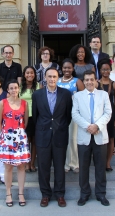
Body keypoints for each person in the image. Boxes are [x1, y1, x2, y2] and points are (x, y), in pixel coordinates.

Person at [32, 67, 73, 208]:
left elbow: (68, 116)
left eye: (54, 76)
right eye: (49, 76)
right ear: (45, 78)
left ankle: (60, 194)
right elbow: (36, 116)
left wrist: (59, 127)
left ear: (58, 77)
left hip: (60, 135)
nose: (52, 79)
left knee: (59, 167)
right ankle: (45, 194)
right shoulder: (37, 95)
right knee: (43, 166)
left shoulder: (66, 94)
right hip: (42, 135)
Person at [72, 70, 112, 206]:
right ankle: (84, 194)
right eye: (87, 80)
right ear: (83, 82)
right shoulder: (77, 96)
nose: (89, 82)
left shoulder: (104, 95)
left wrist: (97, 126)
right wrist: (88, 126)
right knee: (83, 167)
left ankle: (101, 194)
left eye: (91, 79)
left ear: (96, 81)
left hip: (100, 136)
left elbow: (108, 113)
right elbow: (75, 114)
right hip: (84, 136)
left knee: (100, 167)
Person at [0, 79, 30, 207]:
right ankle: (8, 193)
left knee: (21, 166)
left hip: (20, 138)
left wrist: (19, 133)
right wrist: (5, 134)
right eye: (11, 88)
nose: (14, 90)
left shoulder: (24, 103)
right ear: (8, 90)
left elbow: (25, 121)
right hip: (7, 138)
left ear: (18, 88)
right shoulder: (2, 103)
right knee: (8, 166)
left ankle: (21, 193)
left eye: (15, 88)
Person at [57, 58, 85, 173]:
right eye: (64, 67)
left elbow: (83, 97)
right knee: (61, 140)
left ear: (73, 69)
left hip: (73, 114)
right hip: (59, 115)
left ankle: (74, 163)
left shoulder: (77, 81)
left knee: (73, 138)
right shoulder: (57, 80)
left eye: (69, 67)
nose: (67, 70)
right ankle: (64, 163)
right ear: (61, 69)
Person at [97, 58, 115, 172]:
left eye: (107, 69)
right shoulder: (96, 84)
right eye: (103, 69)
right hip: (99, 115)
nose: (105, 71)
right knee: (100, 138)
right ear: (100, 71)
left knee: (111, 138)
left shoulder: (114, 85)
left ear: (110, 70)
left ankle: (108, 163)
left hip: (111, 114)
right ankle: (100, 161)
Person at [19, 66, 39, 173]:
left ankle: (32, 164)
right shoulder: (20, 86)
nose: (29, 75)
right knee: (26, 141)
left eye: (32, 73)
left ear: (34, 74)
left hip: (35, 116)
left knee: (35, 141)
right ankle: (26, 164)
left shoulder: (38, 86)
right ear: (24, 74)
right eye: (27, 73)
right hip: (23, 117)